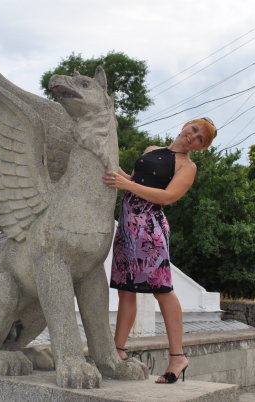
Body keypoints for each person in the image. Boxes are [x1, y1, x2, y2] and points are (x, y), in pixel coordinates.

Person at [102, 117, 217, 384]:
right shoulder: (152, 150)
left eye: (200, 139)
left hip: (149, 230)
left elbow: (167, 197)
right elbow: (133, 180)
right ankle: (118, 350)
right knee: (125, 289)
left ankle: (178, 357)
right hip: (127, 227)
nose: (193, 136)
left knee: (162, 291)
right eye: (194, 129)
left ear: (201, 147)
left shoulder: (187, 166)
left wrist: (127, 185)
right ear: (186, 125)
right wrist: (111, 166)